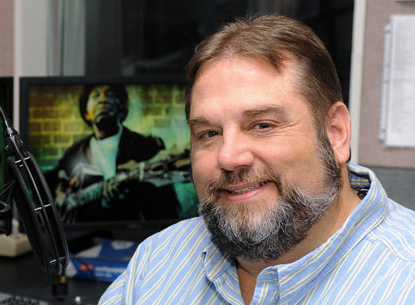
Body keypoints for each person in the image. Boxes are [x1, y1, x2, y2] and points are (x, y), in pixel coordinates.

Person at [99, 15, 415, 304]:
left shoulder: (405, 280)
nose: (229, 156)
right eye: (209, 133)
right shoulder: (156, 262)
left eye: (262, 125)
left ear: (336, 134)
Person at [45, 84, 183, 223]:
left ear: (122, 108)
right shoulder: (74, 153)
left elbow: (166, 208)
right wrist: (59, 193)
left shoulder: (147, 146)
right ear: (86, 112)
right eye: (96, 96)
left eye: (110, 95)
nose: (103, 100)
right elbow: (54, 180)